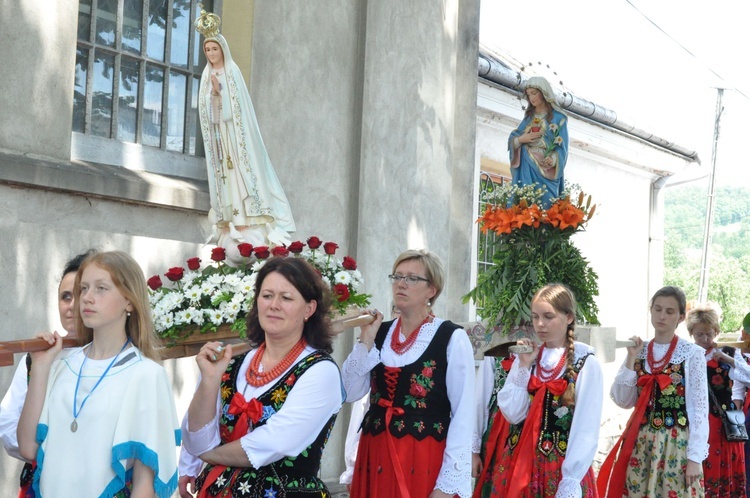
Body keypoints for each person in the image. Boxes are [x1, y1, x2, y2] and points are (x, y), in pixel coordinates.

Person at [16, 251, 180, 497]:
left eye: (101, 288)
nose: (86, 298)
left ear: (129, 301)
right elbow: (28, 448)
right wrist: (40, 366)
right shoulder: (61, 365)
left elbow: (145, 484)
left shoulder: (146, 375)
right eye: (84, 288)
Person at [181, 257, 343, 498]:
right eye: (267, 295)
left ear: (309, 309)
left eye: (286, 298)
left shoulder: (320, 371)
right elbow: (195, 437)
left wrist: (207, 454)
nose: (274, 305)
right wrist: (210, 380)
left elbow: (275, 443)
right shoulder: (232, 362)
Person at [342, 249, 475, 498]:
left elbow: (463, 414)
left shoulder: (451, 337)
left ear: (431, 290)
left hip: (422, 458)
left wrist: (448, 485)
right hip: (375, 455)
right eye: (397, 277)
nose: (401, 284)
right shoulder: (377, 333)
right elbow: (349, 392)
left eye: (412, 278)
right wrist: (365, 342)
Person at [489, 283, 602, 497]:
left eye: (548, 317)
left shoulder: (585, 362)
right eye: (535, 317)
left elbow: (586, 428)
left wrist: (570, 479)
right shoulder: (527, 358)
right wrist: (523, 366)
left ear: (568, 317)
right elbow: (513, 414)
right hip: (519, 462)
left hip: (561, 468)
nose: (540, 324)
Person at [195, 7, 295, 246]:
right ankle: (230, 218)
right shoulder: (206, 77)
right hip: (219, 138)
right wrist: (213, 98)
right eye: (207, 50)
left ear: (222, 49)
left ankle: (247, 217)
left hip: (236, 140)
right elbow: (206, 114)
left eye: (214, 49)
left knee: (240, 176)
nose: (211, 54)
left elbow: (238, 111)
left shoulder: (232, 72)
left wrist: (221, 94)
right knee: (225, 178)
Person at [0, 249, 95, 497]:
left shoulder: (119, 357)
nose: (72, 305)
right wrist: (49, 452)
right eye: (65, 296)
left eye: (81, 293)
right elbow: (8, 423)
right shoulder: (38, 356)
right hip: (42, 484)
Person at [598, 286, 709, 497]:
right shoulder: (638, 350)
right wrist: (631, 357)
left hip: (675, 442)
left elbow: (699, 408)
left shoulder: (691, 354)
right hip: (641, 441)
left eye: (669, 311)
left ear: (681, 317)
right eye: (657, 309)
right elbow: (623, 400)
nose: (662, 316)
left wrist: (695, 458)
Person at [687, 305, 749, 497]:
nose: (705, 339)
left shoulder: (729, 352)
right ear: (691, 334)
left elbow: (747, 376)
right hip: (699, 419)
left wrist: (728, 360)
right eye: (700, 335)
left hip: (724, 421)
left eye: (709, 334)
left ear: (716, 332)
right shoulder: (687, 355)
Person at [508, 76, 569, 207]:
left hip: (547, 168)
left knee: (546, 206)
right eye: (529, 94)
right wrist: (520, 140)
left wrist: (553, 159)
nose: (531, 98)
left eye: (534, 93)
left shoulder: (559, 118)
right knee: (527, 202)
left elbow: (562, 148)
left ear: (544, 93)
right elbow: (514, 137)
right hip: (527, 167)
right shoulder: (529, 118)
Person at [471, 353, 514, 498]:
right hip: (500, 430)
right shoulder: (497, 348)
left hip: (535, 425)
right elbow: (480, 398)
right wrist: (474, 451)